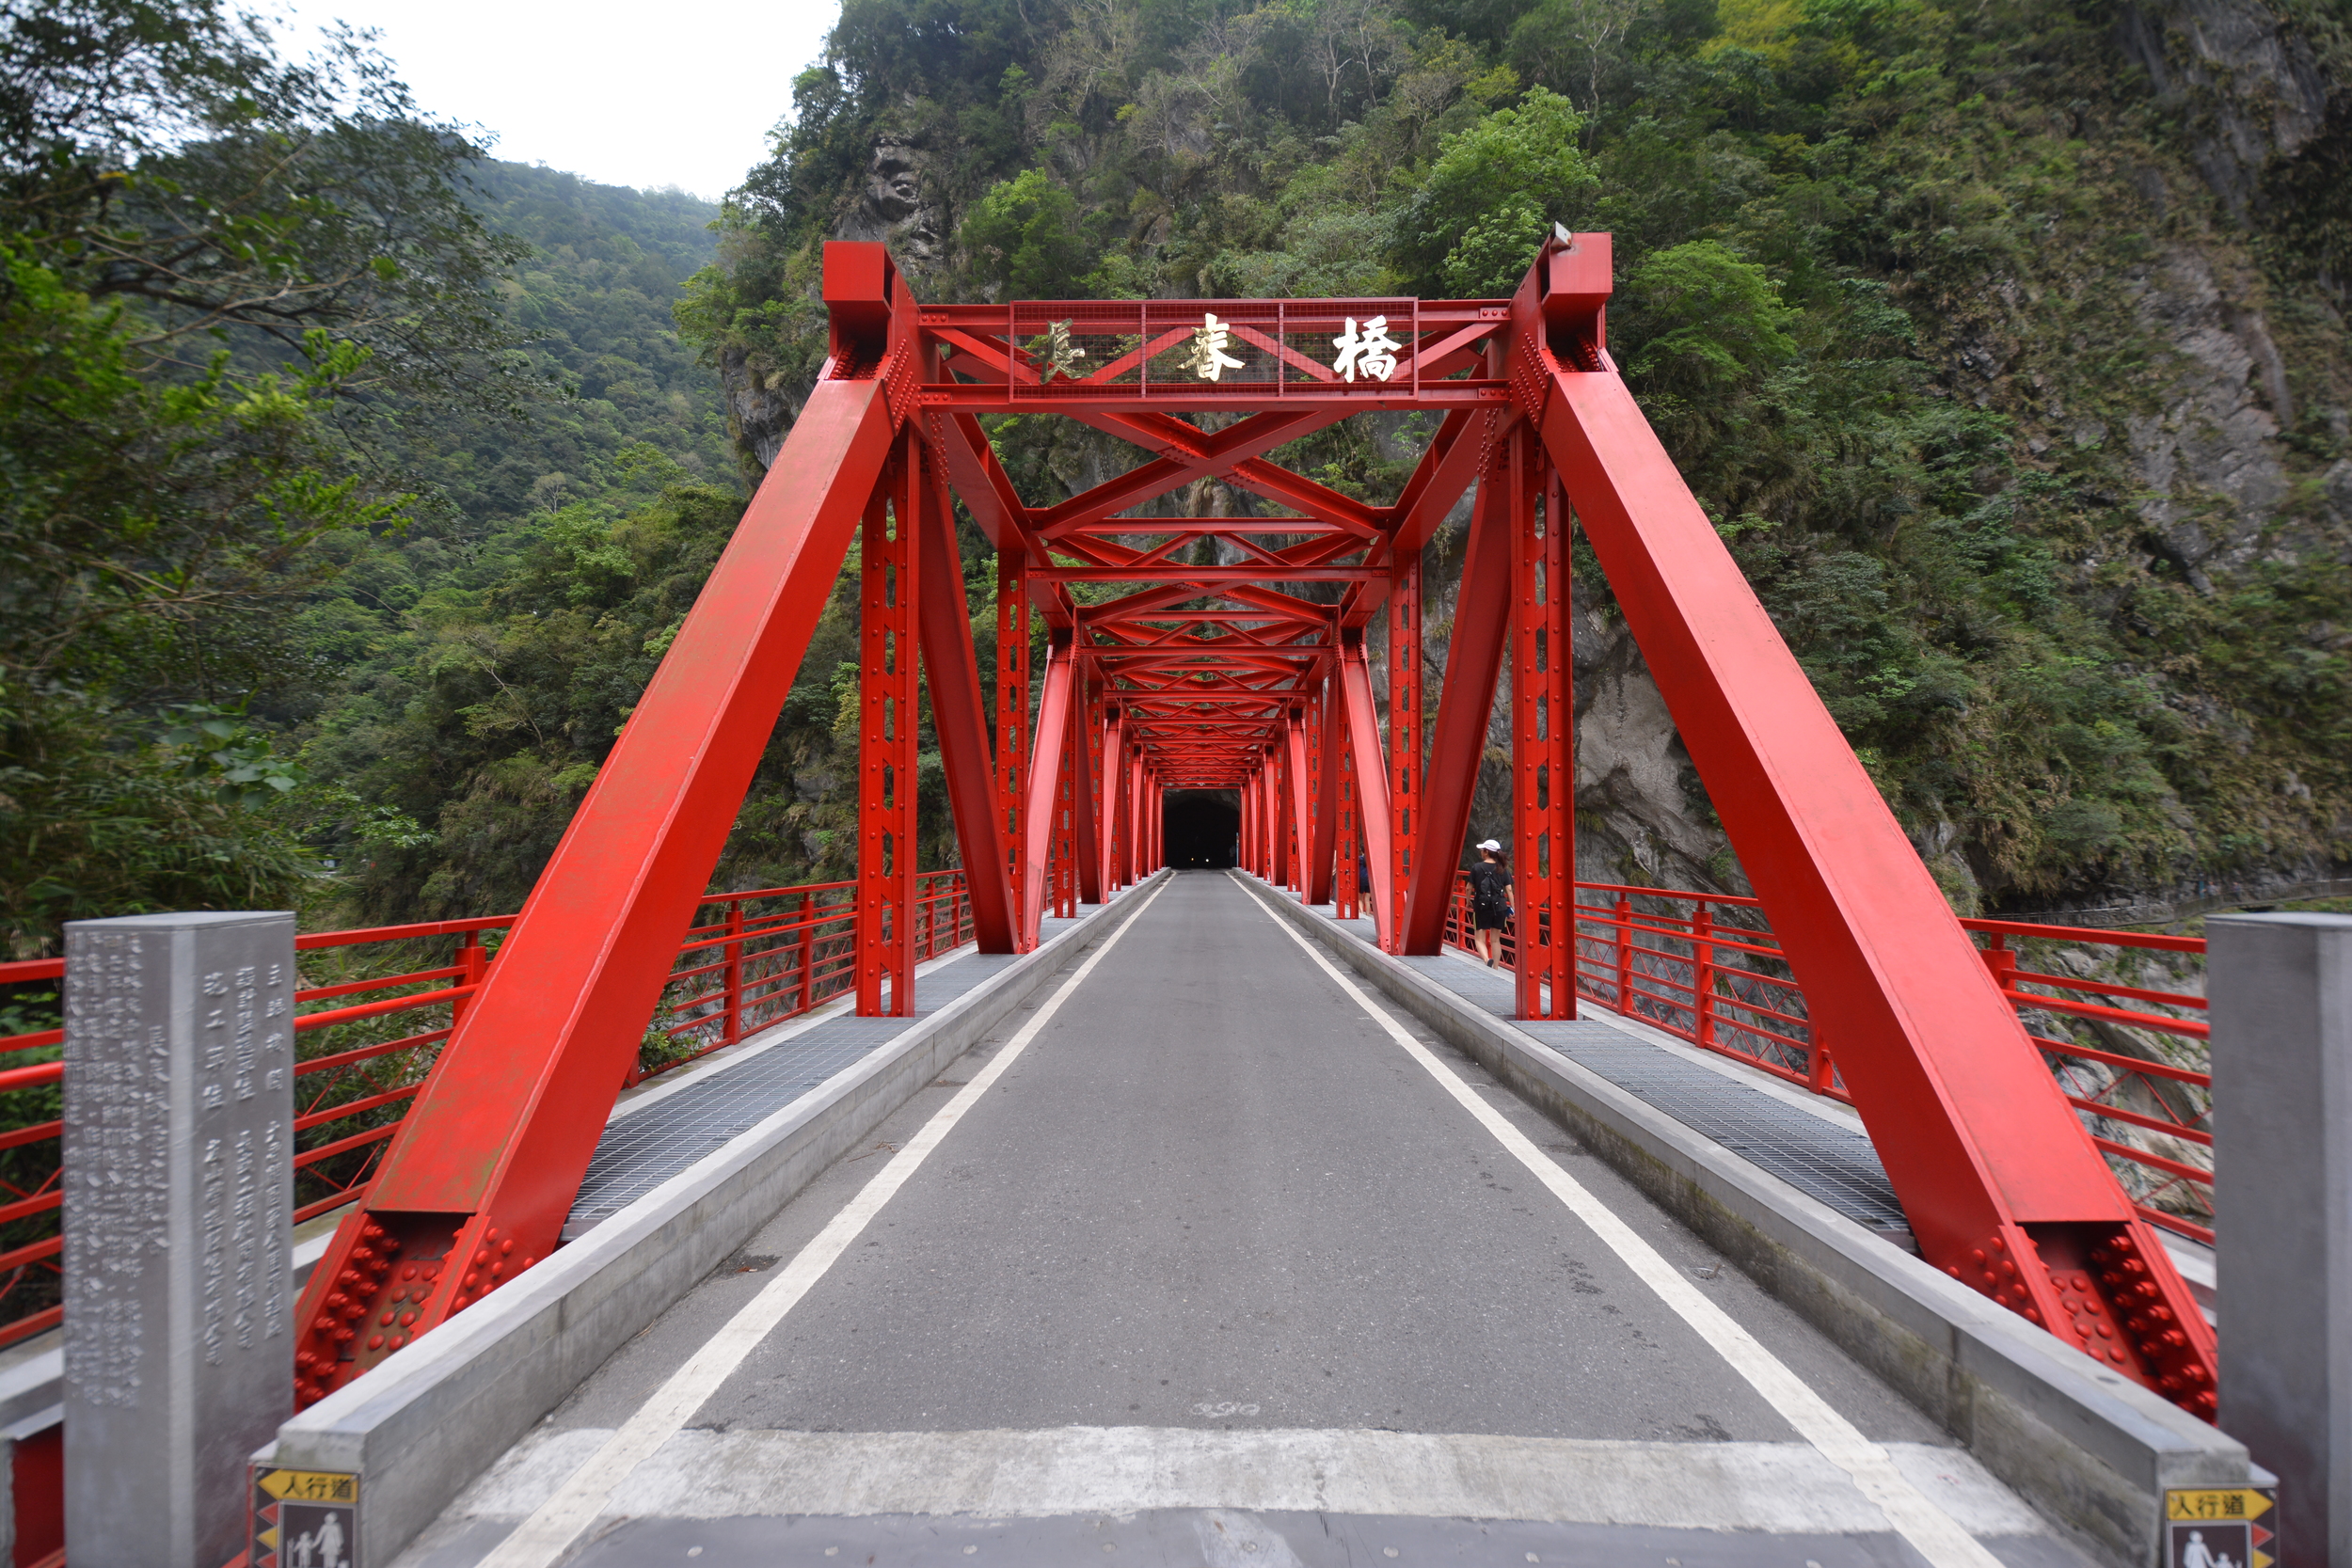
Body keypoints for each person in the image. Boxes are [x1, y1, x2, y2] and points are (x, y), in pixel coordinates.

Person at [1466, 839, 1512, 967]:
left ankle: (1487, 960)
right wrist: (1512, 908)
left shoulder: (1477, 867)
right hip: (1500, 907)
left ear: (1486, 852)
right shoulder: (1502, 869)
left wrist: (1468, 901)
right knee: (1495, 940)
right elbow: (1509, 890)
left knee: (1479, 939)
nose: (1481, 852)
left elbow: (1469, 887)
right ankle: (1496, 967)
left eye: (1482, 850)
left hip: (1481, 905)